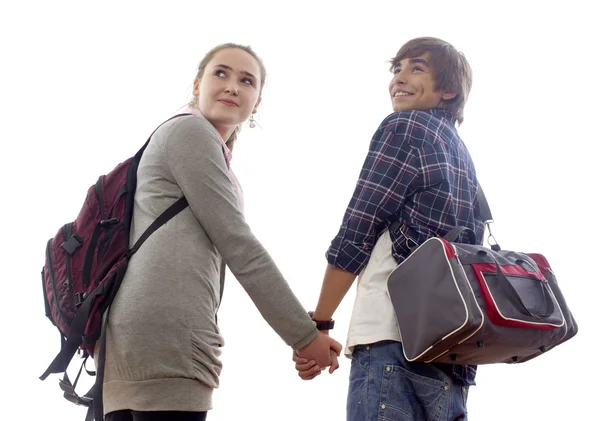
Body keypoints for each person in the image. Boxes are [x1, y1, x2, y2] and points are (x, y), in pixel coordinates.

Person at [100, 43, 342, 421]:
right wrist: (304, 336)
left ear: (257, 103)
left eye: (246, 81)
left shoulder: (196, 142)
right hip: (166, 334)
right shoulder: (190, 131)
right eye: (221, 73)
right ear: (197, 84)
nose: (232, 86)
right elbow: (237, 244)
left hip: (134, 335)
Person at [293, 37, 485, 421]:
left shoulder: (405, 127)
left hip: (391, 339)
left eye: (417, 68)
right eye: (396, 68)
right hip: (451, 356)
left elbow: (359, 226)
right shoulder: (462, 155)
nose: (399, 77)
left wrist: (320, 323)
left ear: (448, 90)